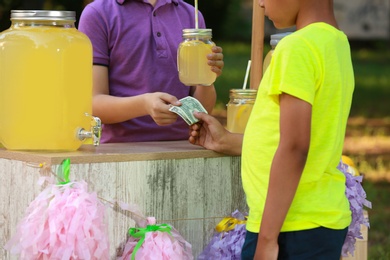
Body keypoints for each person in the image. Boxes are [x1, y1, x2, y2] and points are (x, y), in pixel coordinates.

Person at [189, 0, 354, 259]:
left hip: (288, 229)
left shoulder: (296, 47)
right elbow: (303, 136)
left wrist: (267, 238)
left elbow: (294, 146)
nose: (261, 4)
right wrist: (228, 141)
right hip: (316, 222)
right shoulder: (336, 42)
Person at [78, 0, 224, 143]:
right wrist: (144, 105)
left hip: (187, 144)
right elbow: (92, 104)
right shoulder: (98, 13)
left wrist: (207, 77)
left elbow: (203, 110)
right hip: (120, 150)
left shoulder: (191, 14)